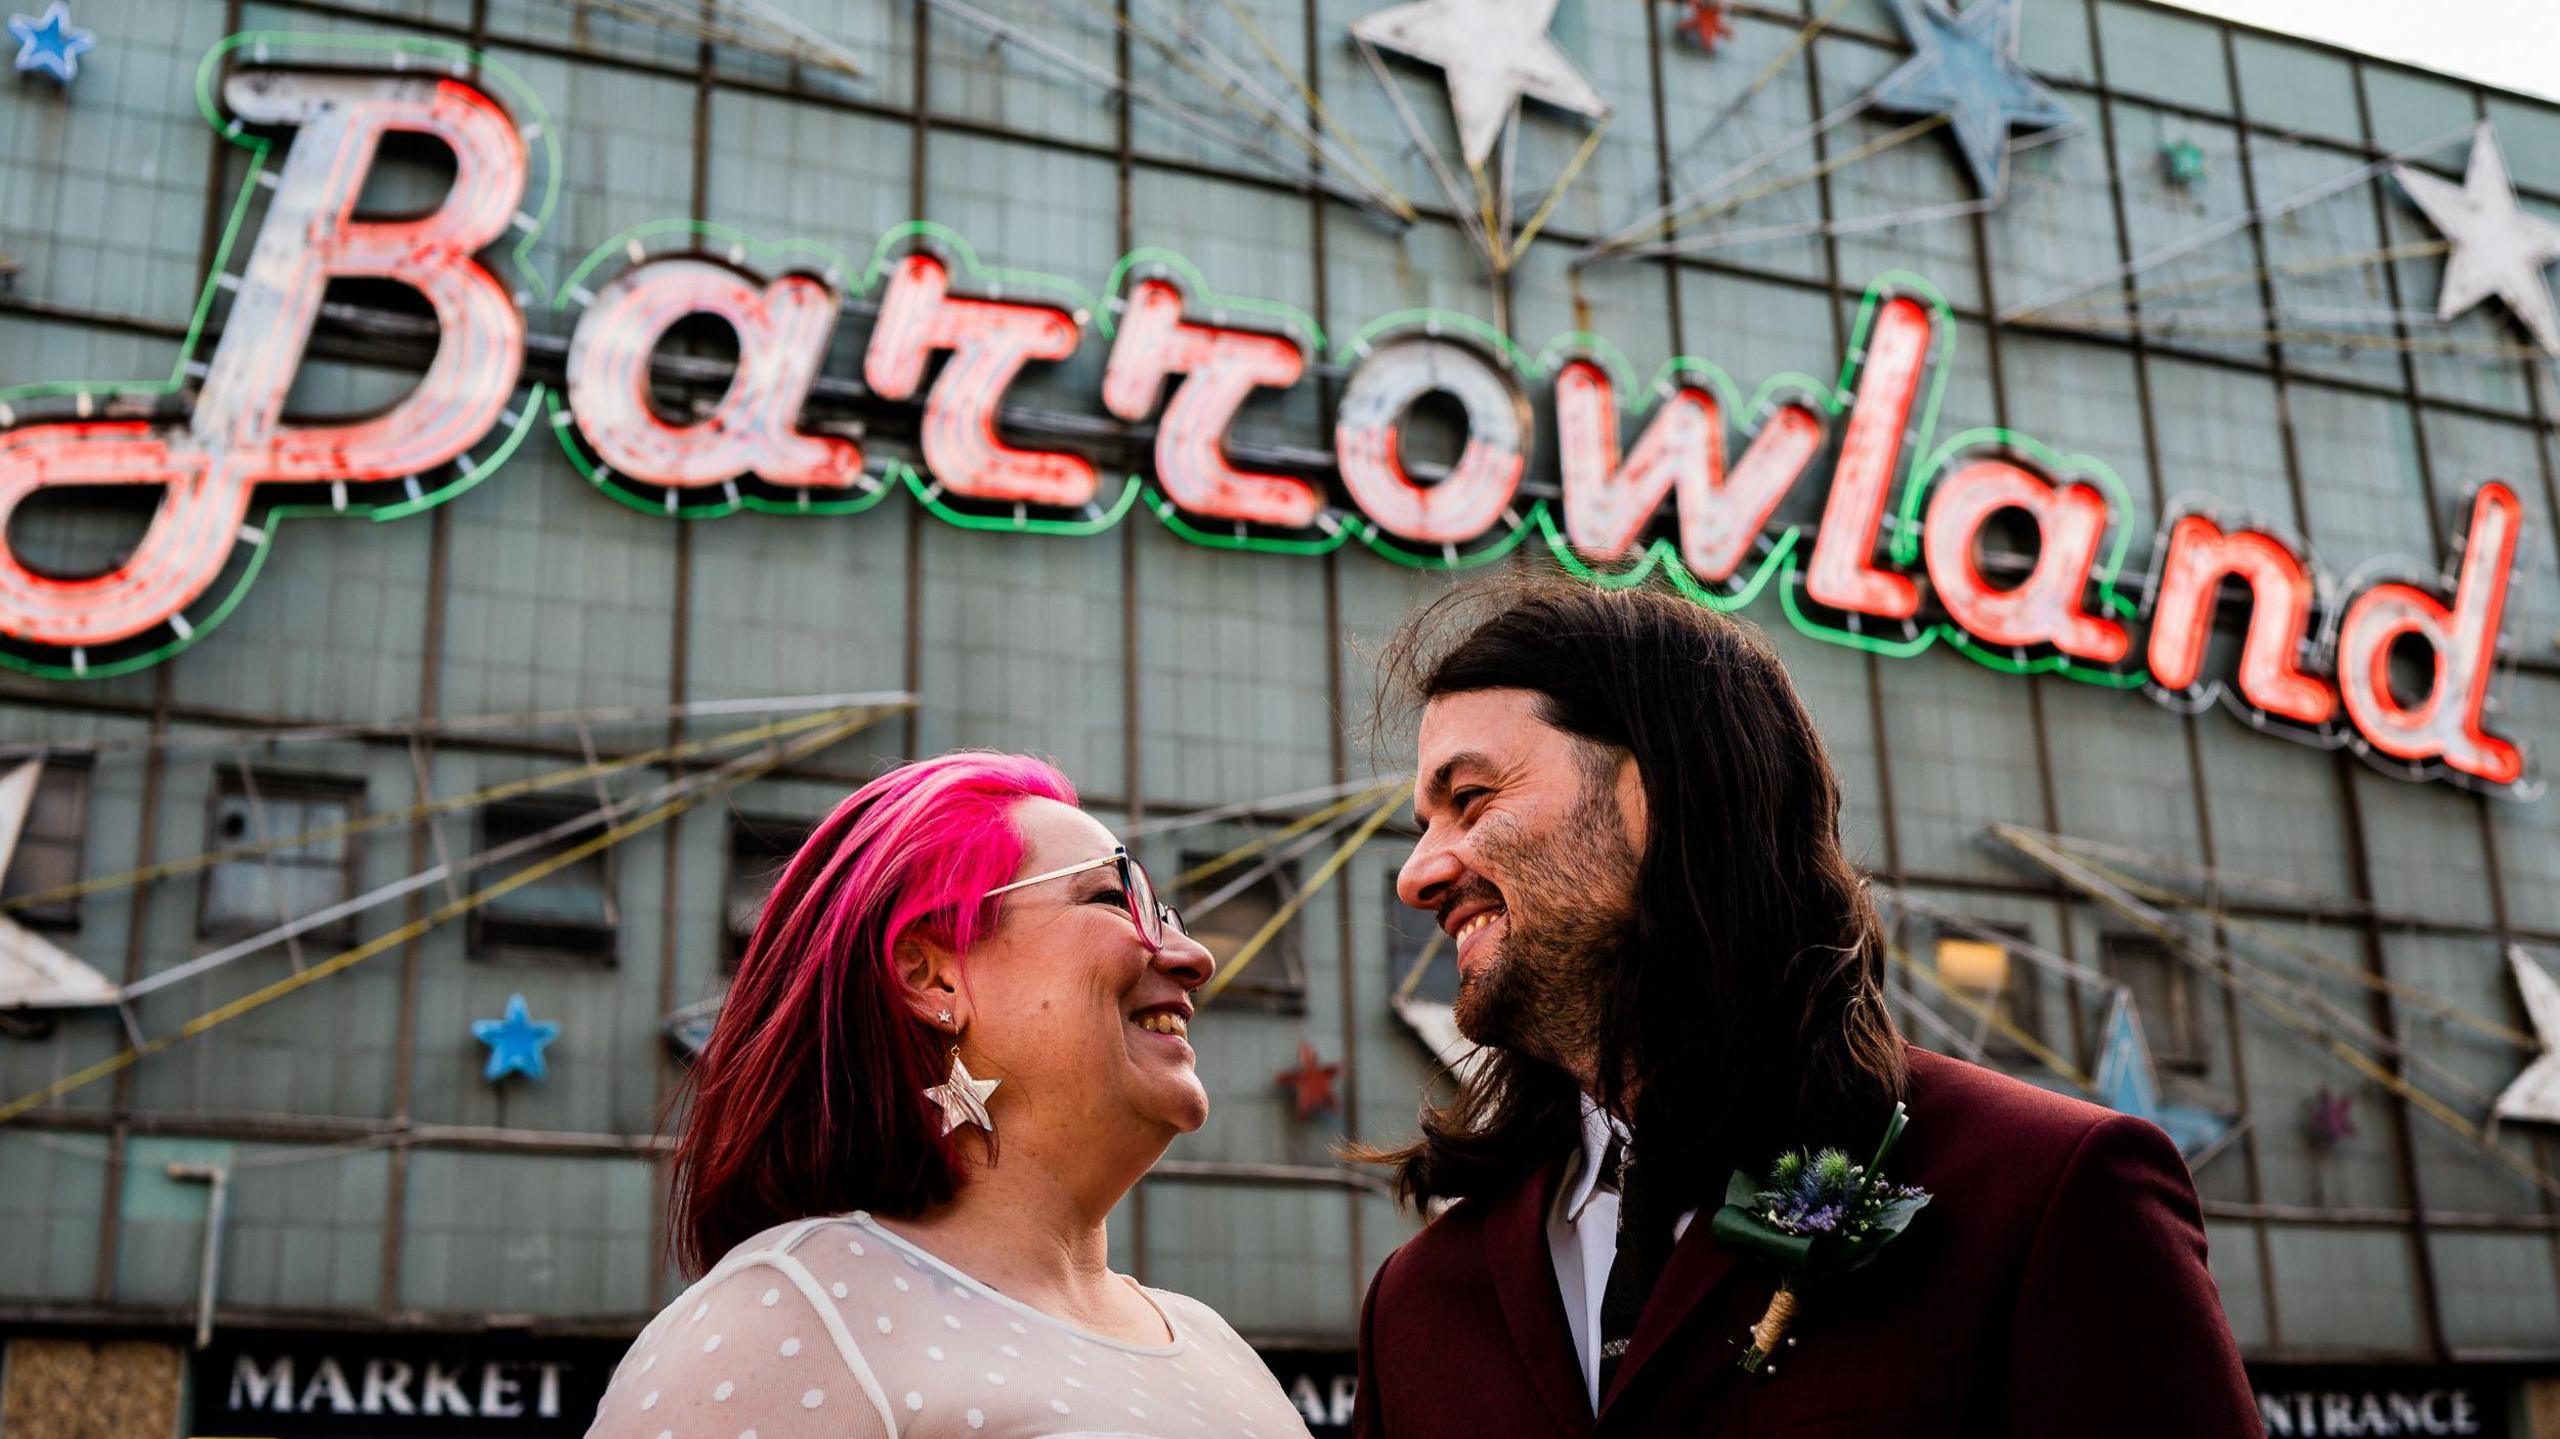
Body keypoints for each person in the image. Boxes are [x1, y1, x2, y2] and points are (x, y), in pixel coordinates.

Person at [1350, 576, 2257, 1438]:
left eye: (1469, 799)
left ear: (1660, 793)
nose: (1416, 873)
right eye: (1421, 826)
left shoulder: (2045, 1194)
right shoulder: (1415, 1305)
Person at [587, 752, 1313, 1439]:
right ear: (932, 977)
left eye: (1170, 915)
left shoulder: (1217, 1344)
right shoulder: (789, 1314)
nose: (1194, 957)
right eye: (1111, 896)